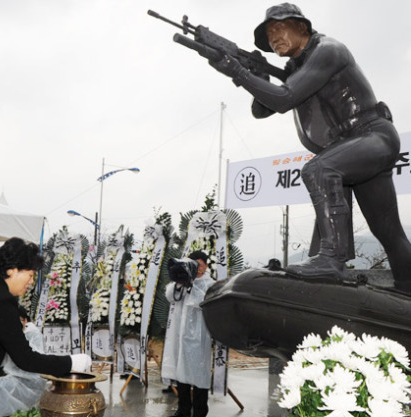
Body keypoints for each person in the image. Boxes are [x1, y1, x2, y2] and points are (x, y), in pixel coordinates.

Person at [209, 3, 411, 293]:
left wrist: (237, 71)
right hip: (352, 146)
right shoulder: (295, 68)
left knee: (319, 168)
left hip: (372, 136)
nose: (274, 38)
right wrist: (258, 75)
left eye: (279, 28)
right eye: (269, 35)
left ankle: (332, 260)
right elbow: (262, 109)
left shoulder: (328, 50)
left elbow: (283, 99)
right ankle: (407, 290)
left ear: (301, 27)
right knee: (389, 231)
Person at [0, 237, 92, 417]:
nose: (31, 281)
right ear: (12, 271)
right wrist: (72, 362)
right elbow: (25, 358)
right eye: (30, 275)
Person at [161, 251, 215, 417]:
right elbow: (170, 295)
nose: (197, 269)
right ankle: (183, 410)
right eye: (193, 265)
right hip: (179, 335)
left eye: (200, 265)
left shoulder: (210, 284)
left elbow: (202, 302)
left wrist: (192, 285)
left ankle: (200, 411)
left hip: (199, 336)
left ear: (206, 266)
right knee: (181, 373)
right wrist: (180, 282)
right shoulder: (181, 280)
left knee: (200, 374)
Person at [0, 306, 47, 417]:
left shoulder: (32, 333)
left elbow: (33, 361)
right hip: (13, 374)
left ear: (25, 320)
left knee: (2, 384)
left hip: (30, 379)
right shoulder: (11, 333)